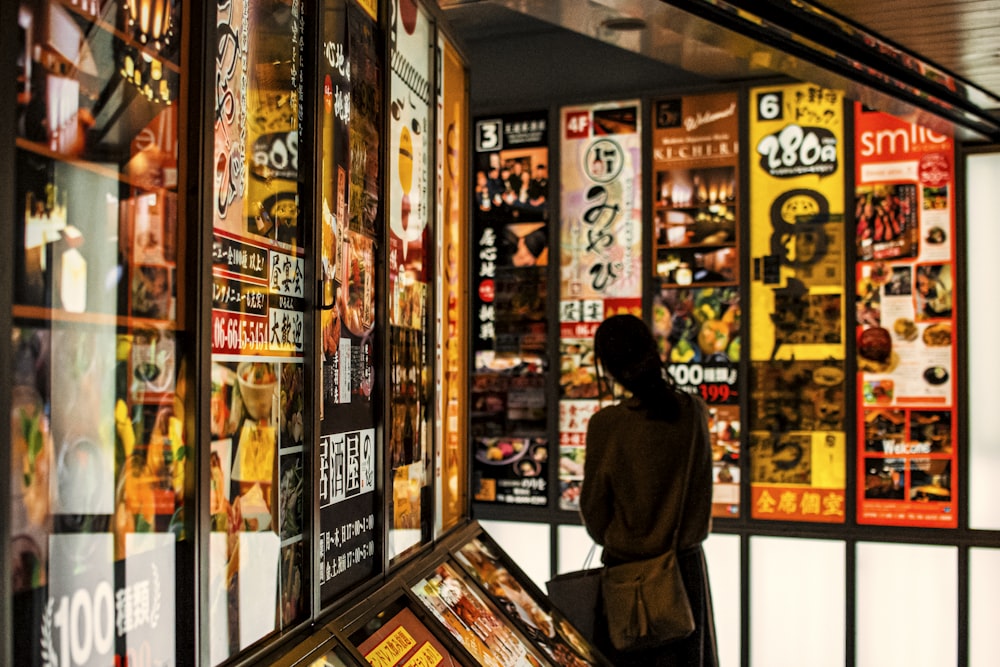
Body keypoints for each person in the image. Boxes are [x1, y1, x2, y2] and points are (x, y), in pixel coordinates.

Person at [580, 314, 718, 666]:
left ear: (609, 368)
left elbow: (596, 517)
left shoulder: (607, 425)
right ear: (653, 351)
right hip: (683, 576)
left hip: (628, 582)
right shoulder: (693, 412)